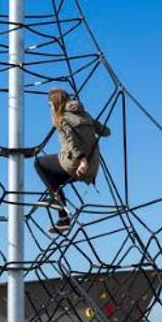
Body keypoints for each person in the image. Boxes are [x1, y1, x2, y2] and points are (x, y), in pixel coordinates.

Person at [35, 87, 110, 234]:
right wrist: (94, 125)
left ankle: (58, 203)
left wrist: (82, 160)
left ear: (56, 103)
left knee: (39, 163)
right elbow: (106, 132)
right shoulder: (85, 114)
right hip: (92, 168)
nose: (50, 108)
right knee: (54, 181)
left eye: (50, 105)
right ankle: (63, 218)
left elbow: (72, 140)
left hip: (77, 163)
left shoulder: (62, 118)